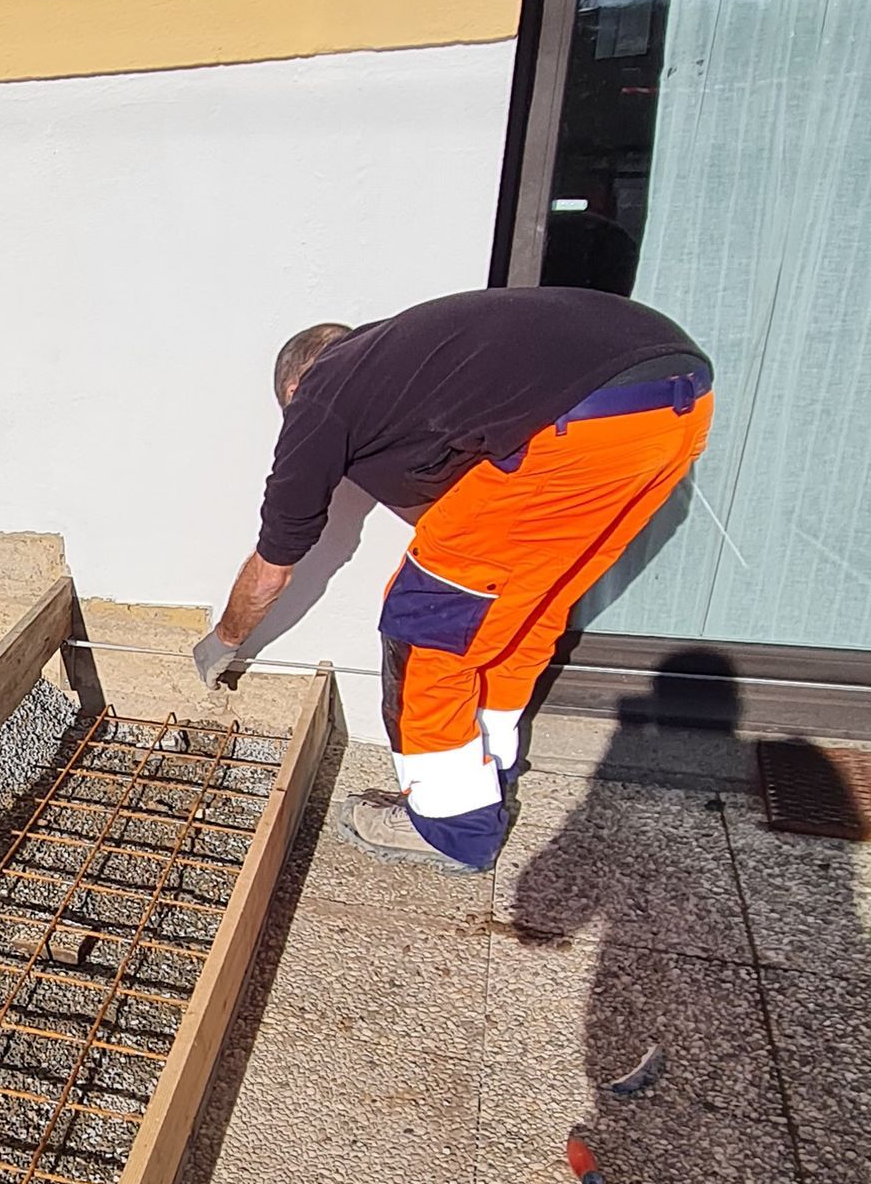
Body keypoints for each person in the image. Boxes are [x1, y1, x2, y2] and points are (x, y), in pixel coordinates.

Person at [193, 285, 714, 868]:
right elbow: (453, 514)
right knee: (525, 607)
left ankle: (451, 825)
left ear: (294, 386)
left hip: (579, 426)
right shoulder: (409, 367)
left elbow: (271, 570)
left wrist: (223, 642)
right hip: (675, 405)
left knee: (428, 624)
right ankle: (487, 762)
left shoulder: (323, 391)